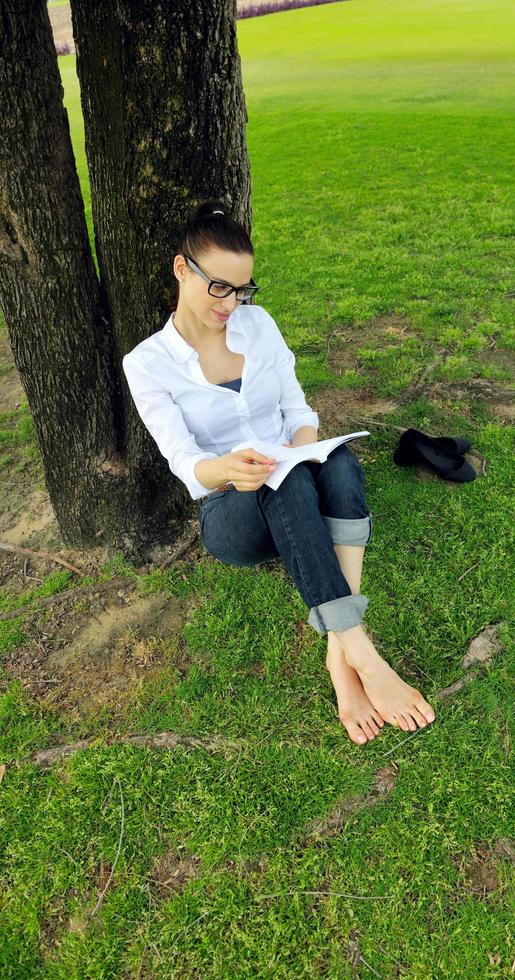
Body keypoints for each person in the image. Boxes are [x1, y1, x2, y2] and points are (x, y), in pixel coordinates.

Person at [122, 200, 435, 745]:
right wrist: (226, 467)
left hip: (291, 486)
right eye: (218, 286)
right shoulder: (147, 363)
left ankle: (344, 649)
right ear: (181, 269)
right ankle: (359, 649)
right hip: (231, 514)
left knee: (333, 459)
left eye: (241, 289)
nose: (231, 303)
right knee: (278, 474)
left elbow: (298, 411)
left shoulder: (259, 326)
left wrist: (303, 450)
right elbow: (183, 462)